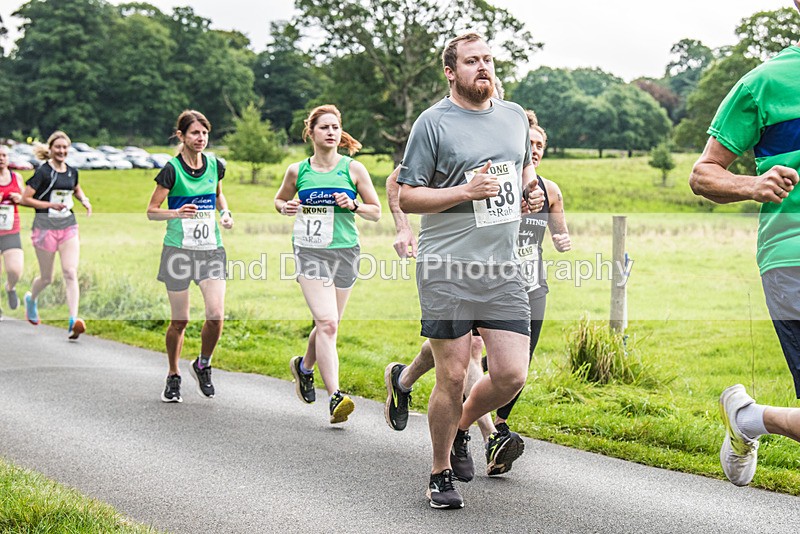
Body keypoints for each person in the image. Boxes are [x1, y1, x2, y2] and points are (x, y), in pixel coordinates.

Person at [396, 32, 544, 509]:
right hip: (447, 266)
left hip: (502, 267)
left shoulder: (514, 116)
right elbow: (408, 194)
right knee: (453, 374)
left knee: (511, 374)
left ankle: (462, 428)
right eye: (471, 61)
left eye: (487, 59)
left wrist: (532, 192)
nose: (482, 67)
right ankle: (439, 474)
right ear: (450, 71)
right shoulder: (432, 123)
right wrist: (463, 192)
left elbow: (523, 173)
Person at [689, 1, 800, 488]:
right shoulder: (765, 82)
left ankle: (750, 419)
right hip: (792, 259)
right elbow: (704, 173)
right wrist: (754, 186)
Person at [275, 104, 381, 424]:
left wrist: (355, 205)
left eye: (336, 127)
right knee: (328, 323)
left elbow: (376, 211)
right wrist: (287, 206)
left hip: (345, 251)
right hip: (310, 251)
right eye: (325, 127)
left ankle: (304, 368)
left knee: (329, 324)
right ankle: (335, 395)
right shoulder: (298, 170)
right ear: (311, 132)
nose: (331, 132)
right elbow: (279, 200)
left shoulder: (353, 169)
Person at [146, 110, 233, 403]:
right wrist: (177, 212)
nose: (201, 138)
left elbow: (218, 194)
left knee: (216, 315)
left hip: (210, 250)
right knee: (180, 321)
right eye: (195, 133)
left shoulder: (215, 165)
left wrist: (226, 212)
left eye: (205, 133)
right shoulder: (171, 169)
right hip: (179, 251)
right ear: (181, 136)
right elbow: (151, 211)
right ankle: (173, 374)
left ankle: (203, 364)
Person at [21, 131, 91, 339]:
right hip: (44, 227)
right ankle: (31, 299)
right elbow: (25, 199)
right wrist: (49, 205)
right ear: (50, 150)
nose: (62, 151)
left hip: (68, 226)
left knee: (70, 272)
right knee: (46, 278)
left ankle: (73, 321)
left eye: (65, 147)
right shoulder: (43, 173)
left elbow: (76, 189)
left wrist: (84, 200)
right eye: (58, 147)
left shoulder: (72, 172)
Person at [0, 145, 25, 318]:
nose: (1, 158)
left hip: (11, 230)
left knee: (15, 270)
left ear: (8, 158)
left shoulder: (16, 177)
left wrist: (20, 199)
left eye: (4, 155)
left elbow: (27, 198)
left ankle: (10, 287)